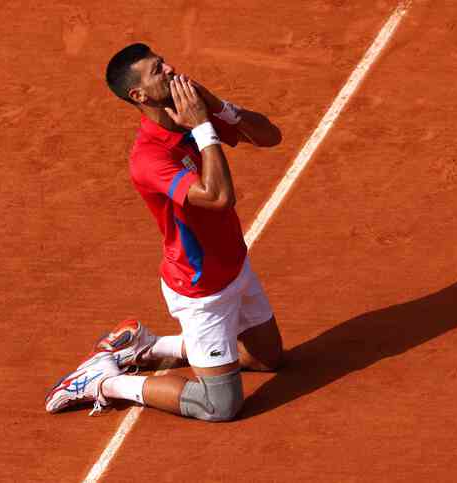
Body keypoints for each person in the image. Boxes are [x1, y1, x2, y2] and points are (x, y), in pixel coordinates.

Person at [45, 43, 283, 422]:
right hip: (200, 288)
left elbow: (270, 136)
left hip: (235, 266)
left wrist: (217, 106)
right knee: (219, 406)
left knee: (267, 359)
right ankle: (103, 381)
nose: (171, 69)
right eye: (158, 69)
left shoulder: (186, 116)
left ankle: (147, 347)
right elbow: (219, 197)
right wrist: (204, 127)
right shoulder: (150, 157)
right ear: (138, 95)